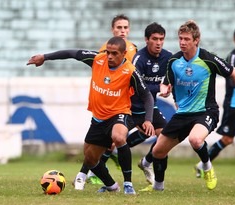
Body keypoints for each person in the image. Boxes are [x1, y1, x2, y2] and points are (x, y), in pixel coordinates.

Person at [27, 36, 155, 194]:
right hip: (98, 118)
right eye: (108, 52)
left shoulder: (130, 71)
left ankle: (128, 184)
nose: (109, 56)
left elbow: (147, 96)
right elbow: (72, 53)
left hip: (119, 114)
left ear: (123, 54)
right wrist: (45, 57)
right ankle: (111, 186)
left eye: (114, 53)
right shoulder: (97, 59)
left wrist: (148, 120)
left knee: (119, 137)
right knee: (90, 158)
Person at [150, 20, 235, 192]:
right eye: (180, 38)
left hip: (205, 111)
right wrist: (164, 89)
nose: (182, 42)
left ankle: (207, 167)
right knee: (157, 152)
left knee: (196, 140)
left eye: (187, 39)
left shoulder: (208, 59)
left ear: (196, 40)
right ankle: (158, 187)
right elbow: (166, 83)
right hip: (182, 114)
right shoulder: (174, 61)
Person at [74, 14, 138, 189]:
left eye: (125, 27)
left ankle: (127, 181)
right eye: (119, 27)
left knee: (118, 136)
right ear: (113, 30)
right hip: (105, 107)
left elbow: (137, 80)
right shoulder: (104, 50)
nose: (122, 31)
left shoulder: (134, 49)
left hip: (126, 104)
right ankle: (95, 176)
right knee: (92, 151)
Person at [194, 27, 235, 178]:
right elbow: (231, 79)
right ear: (234, 40)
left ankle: (202, 165)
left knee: (228, 139)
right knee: (227, 139)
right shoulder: (233, 57)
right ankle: (203, 165)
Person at [130, 22, 172, 189]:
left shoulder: (168, 57)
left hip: (149, 107)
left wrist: (169, 88)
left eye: (161, 39)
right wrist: (159, 88)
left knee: (165, 139)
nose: (158, 43)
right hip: (131, 107)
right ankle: (87, 173)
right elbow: (137, 87)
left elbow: (171, 79)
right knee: (112, 142)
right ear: (146, 39)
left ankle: (157, 182)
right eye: (155, 39)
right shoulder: (139, 59)